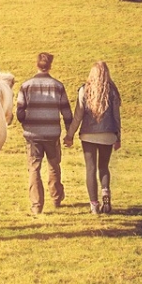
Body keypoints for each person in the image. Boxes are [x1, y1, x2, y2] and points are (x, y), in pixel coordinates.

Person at [16, 52, 73, 215]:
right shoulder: (58, 86)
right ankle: (56, 199)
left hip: (33, 135)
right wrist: (69, 132)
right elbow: (66, 112)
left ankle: (36, 205)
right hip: (52, 134)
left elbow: (19, 111)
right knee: (54, 165)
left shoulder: (26, 86)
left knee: (34, 168)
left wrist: (26, 121)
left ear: (37, 65)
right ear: (50, 66)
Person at [64, 61, 121, 215]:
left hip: (88, 134)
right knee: (103, 167)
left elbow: (78, 116)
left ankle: (94, 205)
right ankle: (105, 193)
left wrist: (70, 135)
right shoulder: (112, 92)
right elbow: (116, 116)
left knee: (90, 168)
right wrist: (118, 137)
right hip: (108, 134)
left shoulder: (84, 90)